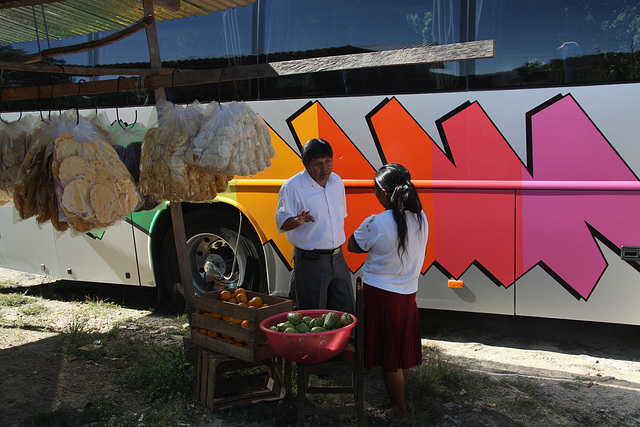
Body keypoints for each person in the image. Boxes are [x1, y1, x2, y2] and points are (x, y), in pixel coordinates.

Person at [347, 163, 428, 422]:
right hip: (408, 296)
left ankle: (399, 409)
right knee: (401, 355)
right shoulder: (420, 217)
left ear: (383, 192)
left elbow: (353, 245)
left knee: (389, 359)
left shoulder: (378, 222)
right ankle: (401, 402)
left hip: (382, 297)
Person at [275, 138, 355, 314]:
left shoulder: (336, 182)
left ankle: (344, 343)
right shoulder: (292, 187)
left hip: (338, 258)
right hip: (311, 261)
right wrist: (297, 221)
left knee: (346, 312)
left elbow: (340, 217)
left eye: (328, 162)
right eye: (318, 164)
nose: (325, 168)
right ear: (306, 165)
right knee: (314, 315)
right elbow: (281, 222)